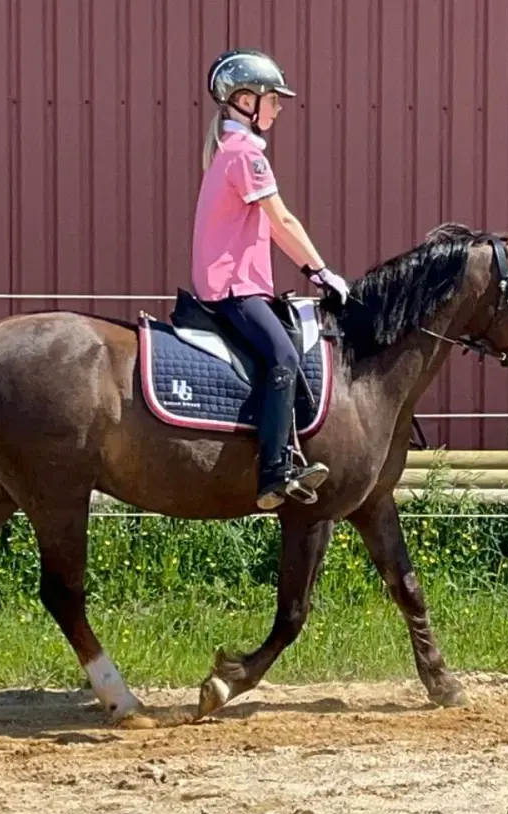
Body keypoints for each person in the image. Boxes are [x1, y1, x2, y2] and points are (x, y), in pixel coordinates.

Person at [191, 48, 351, 511]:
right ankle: (273, 470)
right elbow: (282, 221)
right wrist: (320, 271)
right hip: (232, 287)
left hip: (239, 284)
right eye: (273, 99)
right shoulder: (245, 156)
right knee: (283, 355)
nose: (279, 108)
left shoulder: (233, 150)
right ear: (245, 101)